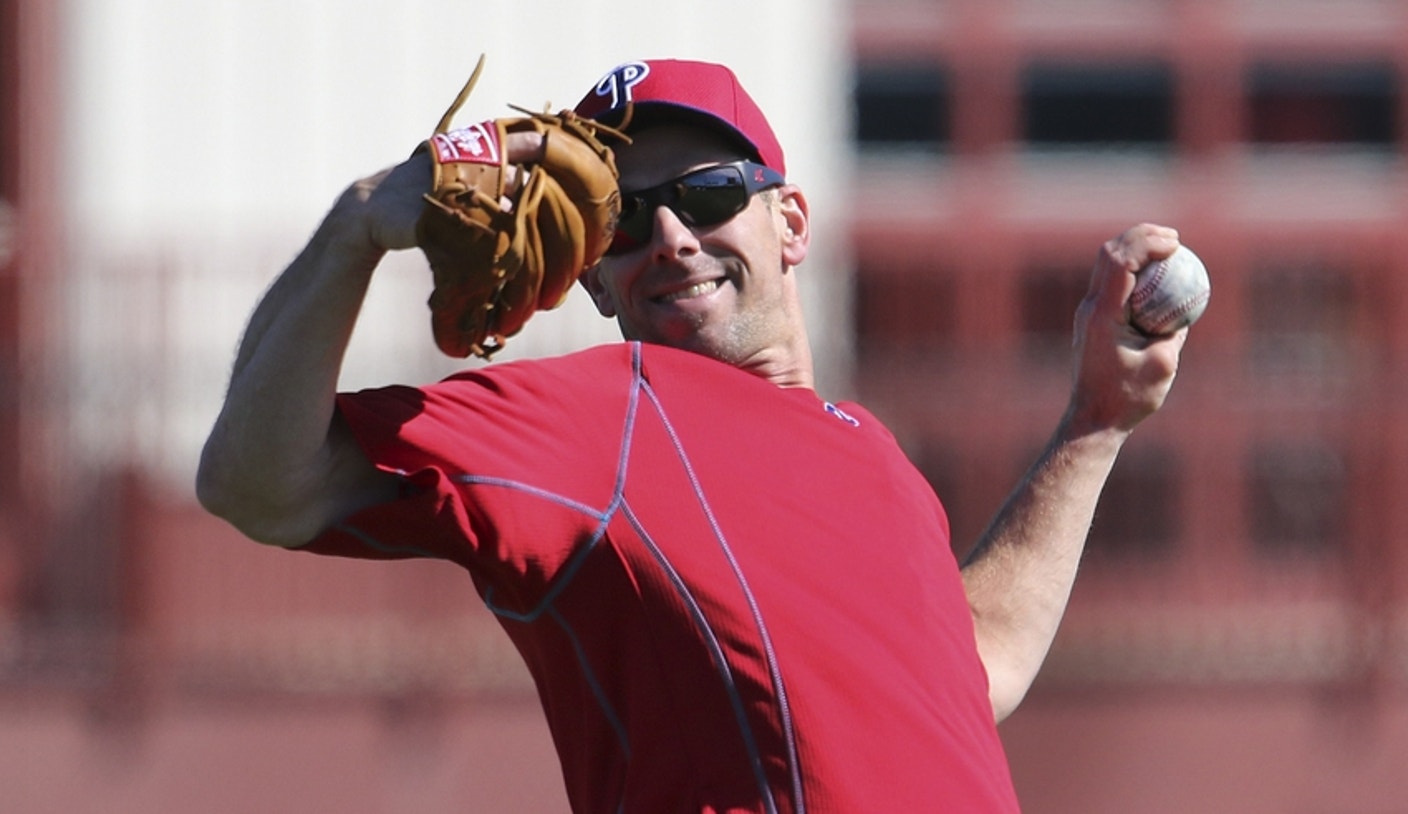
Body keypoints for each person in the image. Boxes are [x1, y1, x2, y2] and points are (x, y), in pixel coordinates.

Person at [197, 58, 1188, 814]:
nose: (671, 236)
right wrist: (357, 229)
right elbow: (260, 486)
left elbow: (975, 674)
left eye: (709, 194)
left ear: (789, 222)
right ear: (590, 276)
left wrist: (1094, 422)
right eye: (623, 220)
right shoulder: (599, 414)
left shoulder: (871, 455)